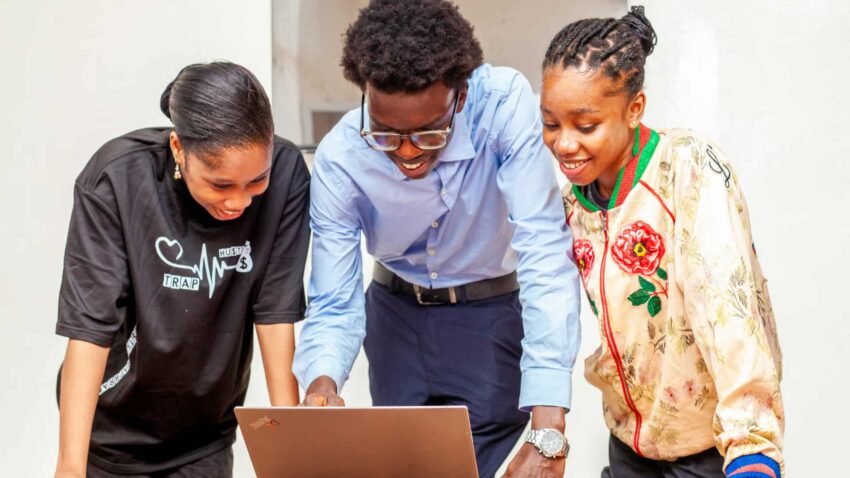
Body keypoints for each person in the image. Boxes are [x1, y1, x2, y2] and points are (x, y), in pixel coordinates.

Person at [292, 1, 581, 477]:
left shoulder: (501, 105)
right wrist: (321, 383)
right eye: (386, 135)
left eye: (429, 134)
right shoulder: (341, 156)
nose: (407, 152)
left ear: (460, 98)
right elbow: (334, 299)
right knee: (400, 468)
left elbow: (544, 248)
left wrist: (549, 425)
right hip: (394, 321)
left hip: (489, 321)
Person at [540, 6, 784, 478]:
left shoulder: (685, 168)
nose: (565, 144)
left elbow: (728, 307)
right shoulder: (573, 204)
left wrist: (751, 446)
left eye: (585, 126)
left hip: (714, 449)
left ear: (634, 110)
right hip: (630, 445)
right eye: (551, 124)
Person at [53, 61, 310, 477]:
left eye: (255, 182)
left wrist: (291, 457)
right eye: (220, 184)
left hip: (204, 437)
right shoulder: (117, 178)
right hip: (112, 429)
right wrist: (70, 467)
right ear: (178, 148)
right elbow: (90, 328)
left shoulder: (286, 174)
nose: (239, 202)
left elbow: (276, 311)